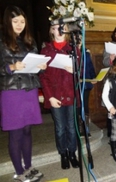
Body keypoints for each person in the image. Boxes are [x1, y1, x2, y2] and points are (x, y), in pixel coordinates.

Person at [0, 6, 46, 182]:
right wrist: (11, 67)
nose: (19, 25)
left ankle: (28, 166)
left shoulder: (29, 41)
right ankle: (19, 171)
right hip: (12, 92)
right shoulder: (2, 40)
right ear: (8, 22)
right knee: (16, 133)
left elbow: (33, 67)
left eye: (22, 21)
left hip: (29, 90)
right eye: (15, 21)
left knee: (27, 130)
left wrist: (41, 67)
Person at [39, 24, 80, 170]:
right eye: (56, 27)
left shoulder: (73, 49)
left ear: (68, 30)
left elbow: (81, 70)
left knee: (71, 126)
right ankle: (63, 154)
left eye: (63, 27)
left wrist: (74, 70)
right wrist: (49, 97)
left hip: (70, 94)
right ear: (51, 30)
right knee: (60, 127)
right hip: (55, 95)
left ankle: (72, 153)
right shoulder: (46, 50)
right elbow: (43, 77)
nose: (60, 30)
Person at [79, 44, 97, 137]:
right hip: (74, 85)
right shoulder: (69, 51)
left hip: (86, 84)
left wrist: (93, 77)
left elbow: (90, 66)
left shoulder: (85, 52)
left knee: (85, 105)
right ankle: (78, 128)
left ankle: (85, 128)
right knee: (77, 106)